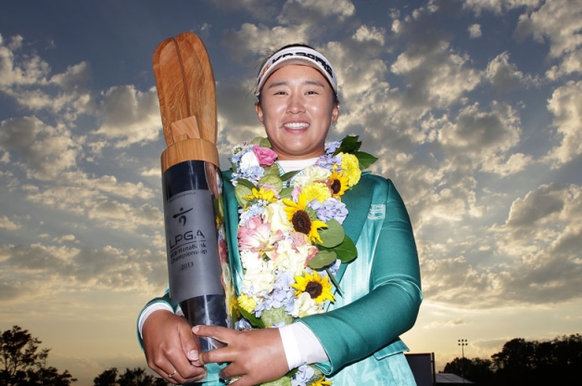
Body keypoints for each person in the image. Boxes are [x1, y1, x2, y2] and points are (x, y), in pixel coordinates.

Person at [138, 44, 422, 386]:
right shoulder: (218, 191)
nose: (295, 105)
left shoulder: (377, 192)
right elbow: (192, 284)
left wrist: (289, 346)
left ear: (334, 111)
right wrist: (155, 317)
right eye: (280, 91)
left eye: (312, 91)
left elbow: (400, 292)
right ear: (260, 110)